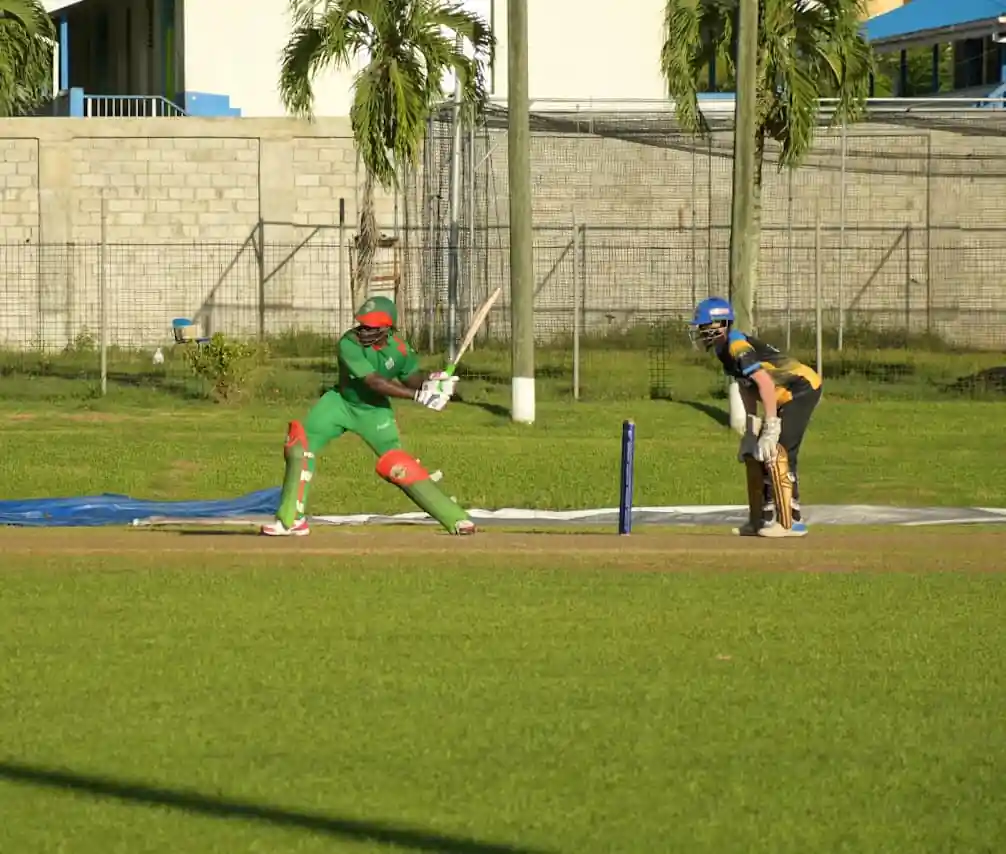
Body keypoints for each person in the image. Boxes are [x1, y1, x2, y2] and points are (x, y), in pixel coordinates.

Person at [261, 295, 475, 537]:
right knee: (299, 446)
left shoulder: (400, 348)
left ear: (388, 329)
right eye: (363, 325)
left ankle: (456, 519)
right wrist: (417, 396)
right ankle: (291, 520)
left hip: (374, 412)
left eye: (372, 327)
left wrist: (432, 381)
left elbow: (410, 377)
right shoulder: (348, 343)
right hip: (340, 403)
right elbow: (374, 382)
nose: (364, 331)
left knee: (398, 464)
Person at [687, 296, 823, 538]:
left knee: (779, 450)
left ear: (721, 324)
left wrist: (771, 427)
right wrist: (752, 430)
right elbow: (746, 386)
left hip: (801, 389)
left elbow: (764, 384)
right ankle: (760, 519)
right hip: (780, 395)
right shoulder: (723, 351)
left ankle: (791, 522)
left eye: (706, 326)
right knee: (756, 455)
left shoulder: (737, 346)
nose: (702, 331)